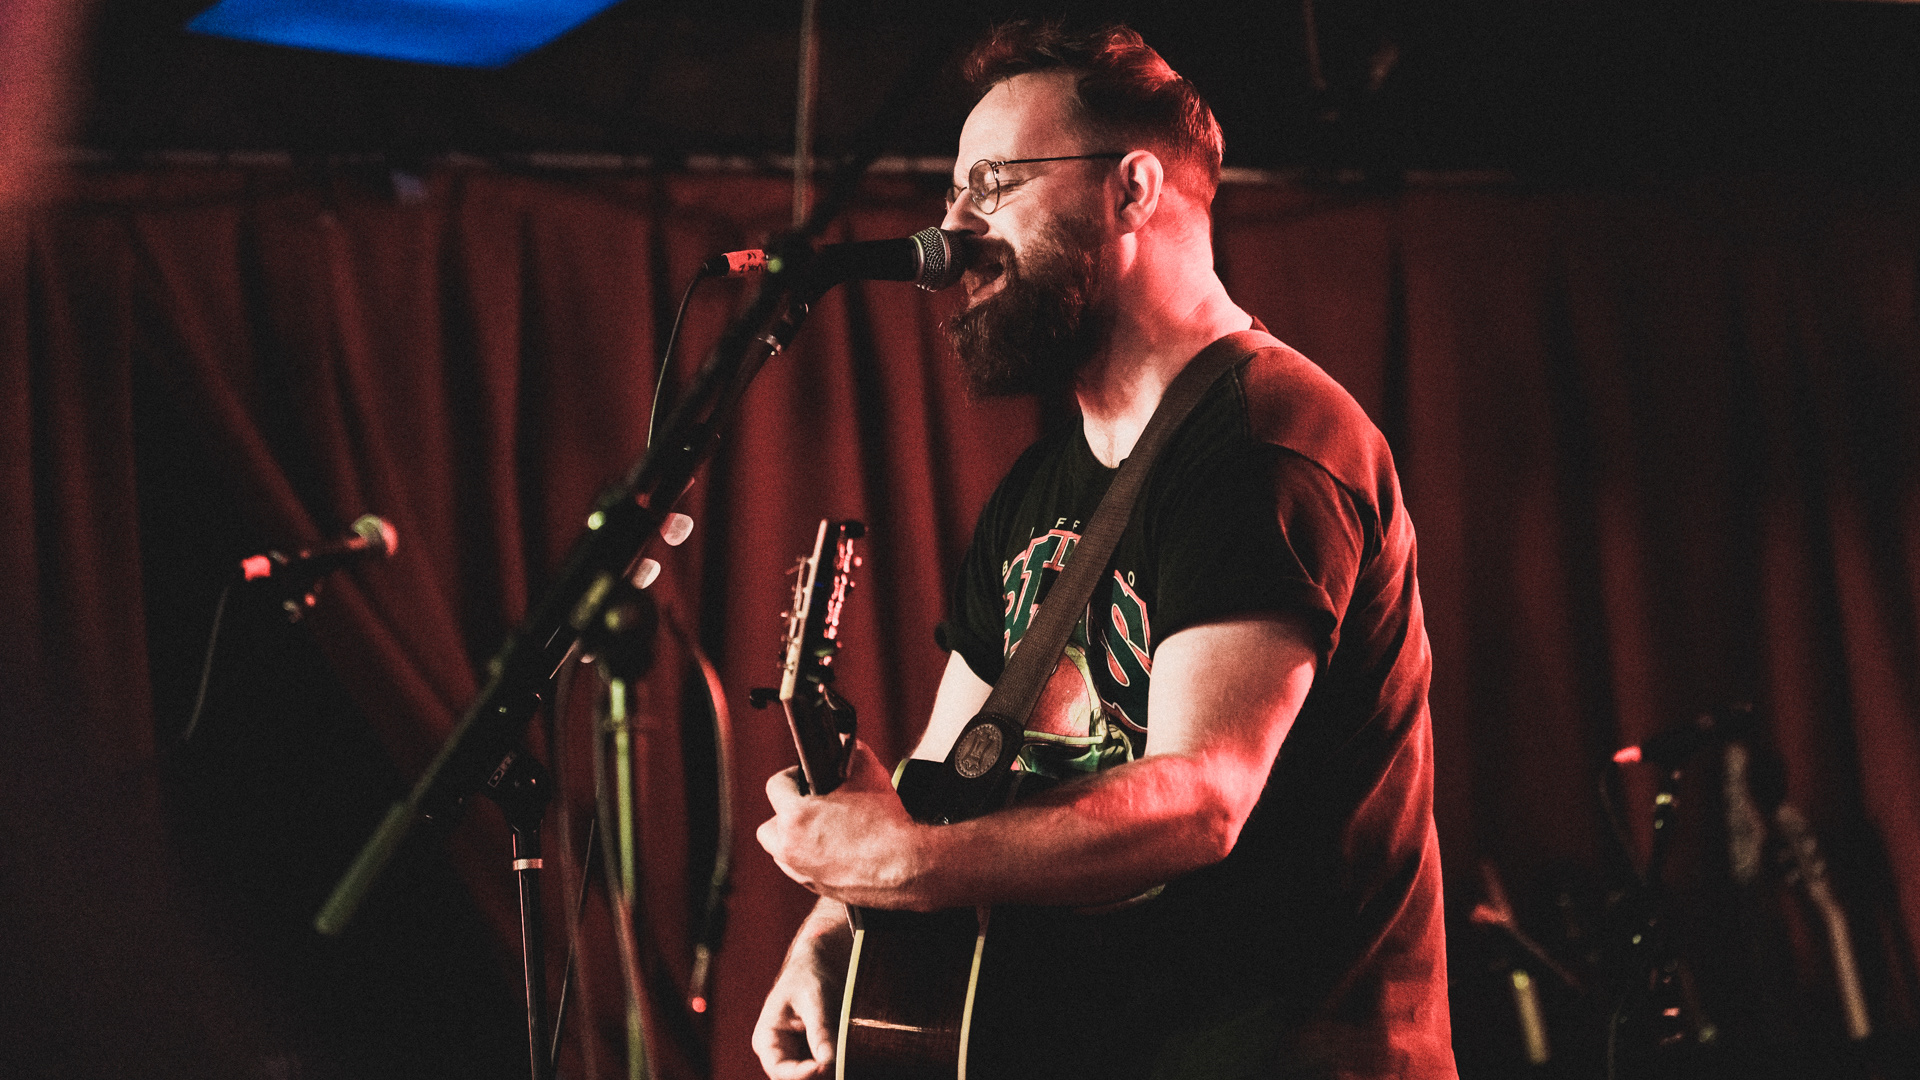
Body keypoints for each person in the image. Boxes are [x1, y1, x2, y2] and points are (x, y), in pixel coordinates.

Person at [754, 21, 1455, 1080]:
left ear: (1132, 190)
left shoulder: (1264, 443)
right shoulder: (1037, 489)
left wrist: (908, 864)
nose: (953, 230)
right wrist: (836, 927)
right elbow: (946, 776)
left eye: (992, 184)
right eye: (953, 194)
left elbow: (1202, 797)